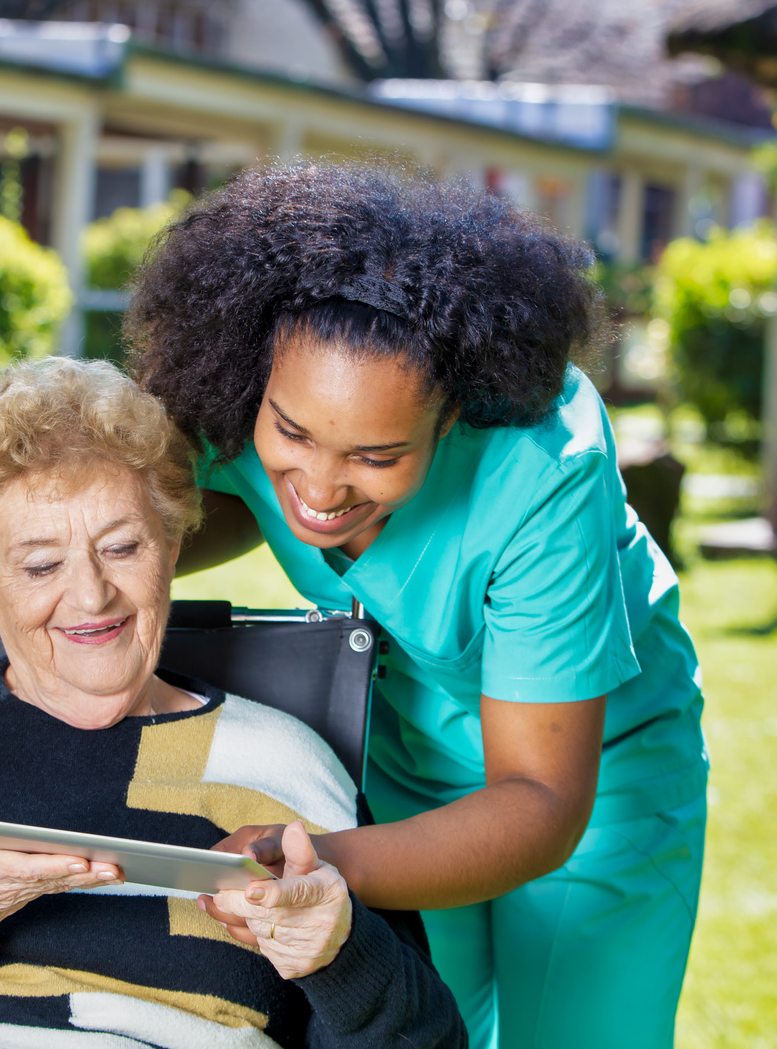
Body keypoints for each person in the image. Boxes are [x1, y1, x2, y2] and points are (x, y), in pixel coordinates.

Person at [127, 162, 708, 1049]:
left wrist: (316, 861)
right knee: (425, 1033)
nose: (317, 486)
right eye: (292, 435)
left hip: (591, 777)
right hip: (404, 750)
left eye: (375, 454)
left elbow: (541, 799)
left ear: (452, 416)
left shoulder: (539, 472)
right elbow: (218, 500)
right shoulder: (246, 394)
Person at [0, 357, 466, 1049]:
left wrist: (334, 952)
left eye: (122, 548)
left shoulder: (286, 767)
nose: (90, 596)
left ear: (172, 545)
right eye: (40, 565)